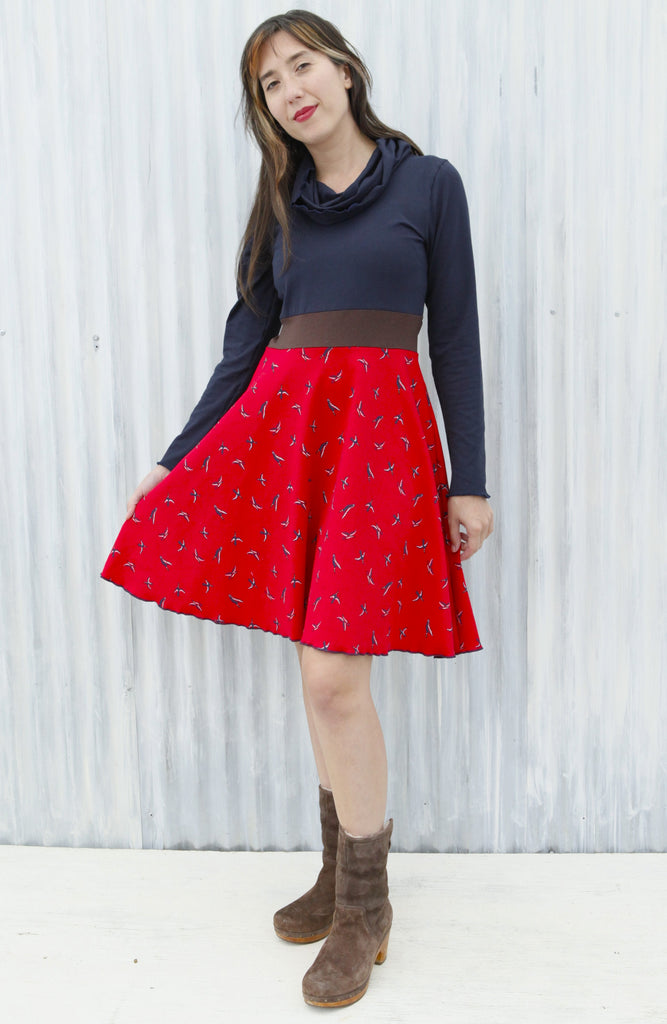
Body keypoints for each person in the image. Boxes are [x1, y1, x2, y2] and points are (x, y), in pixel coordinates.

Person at [102, 8, 493, 1009]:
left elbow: (453, 338)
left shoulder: (427, 184)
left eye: (301, 65)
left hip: (378, 450)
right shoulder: (276, 205)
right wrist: (174, 459)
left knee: (331, 677)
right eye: (268, 84)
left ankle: (366, 906)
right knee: (319, 673)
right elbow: (244, 346)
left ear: (345, 71)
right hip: (289, 442)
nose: (290, 90)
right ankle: (340, 875)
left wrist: (471, 478)